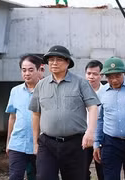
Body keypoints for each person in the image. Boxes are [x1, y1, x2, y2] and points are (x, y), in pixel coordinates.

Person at [29, 45, 99, 180]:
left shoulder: (81, 83)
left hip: (75, 143)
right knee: (44, 176)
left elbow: (93, 107)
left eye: (59, 59)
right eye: (51, 60)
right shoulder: (41, 85)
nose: (54, 63)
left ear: (68, 62)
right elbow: (36, 114)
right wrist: (35, 142)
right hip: (47, 143)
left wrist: (90, 132)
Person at [6, 54, 45, 180]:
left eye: (31, 70)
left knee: (37, 176)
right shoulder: (15, 91)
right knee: (15, 176)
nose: (27, 73)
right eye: (24, 70)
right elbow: (12, 117)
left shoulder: (47, 90)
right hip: (17, 144)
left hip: (41, 144)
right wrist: (8, 141)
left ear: (40, 70)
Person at [83, 60, 104, 180]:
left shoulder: (107, 91)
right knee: (82, 172)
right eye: (89, 73)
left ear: (101, 75)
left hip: (101, 138)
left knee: (103, 172)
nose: (91, 77)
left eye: (95, 74)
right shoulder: (79, 91)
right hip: (84, 138)